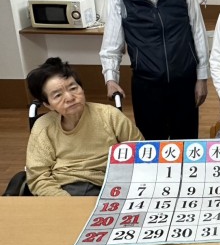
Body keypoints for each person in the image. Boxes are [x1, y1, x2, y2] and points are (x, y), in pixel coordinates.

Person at [100, 0, 209, 140]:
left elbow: (199, 34)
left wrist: (202, 78)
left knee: (185, 142)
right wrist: (111, 78)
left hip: (184, 82)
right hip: (146, 84)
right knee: (151, 143)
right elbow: (111, 44)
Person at [25, 57, 143, 196]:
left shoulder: (110, 115)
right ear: (48, 104)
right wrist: (64, 201)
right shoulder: (43, 127)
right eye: (57, 95)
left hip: (111, 185)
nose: (70, 97)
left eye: (73, 88)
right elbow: (38, 176)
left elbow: (141, 152)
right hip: (64, 188)